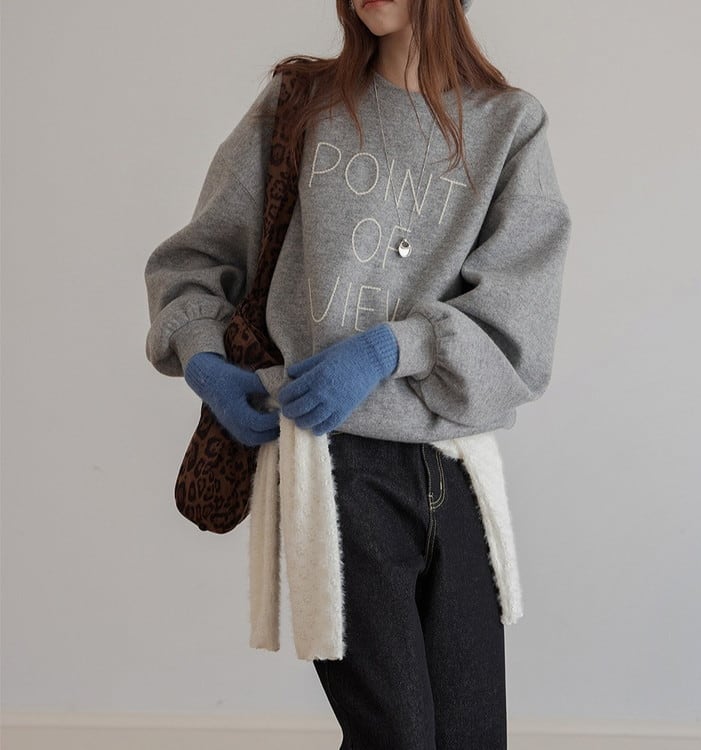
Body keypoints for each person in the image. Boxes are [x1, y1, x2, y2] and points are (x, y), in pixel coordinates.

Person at [144, 0, 572, 747]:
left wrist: (391, 348)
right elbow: (196, 257)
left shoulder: (509, 125)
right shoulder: (301, 105)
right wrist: (203, 358)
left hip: (457, 469)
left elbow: (521, 328)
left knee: (472, 737)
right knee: (395, 735)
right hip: (332, 460)